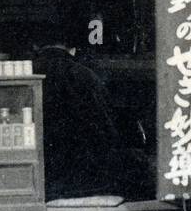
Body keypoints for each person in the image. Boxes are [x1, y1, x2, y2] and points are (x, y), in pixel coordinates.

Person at [33, 40, 152, 202]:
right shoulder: (86, 76)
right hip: (84, 175)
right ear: (73, 50)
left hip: (40, 175)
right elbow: (108, 132)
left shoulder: (28, 73)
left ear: (36, 48)